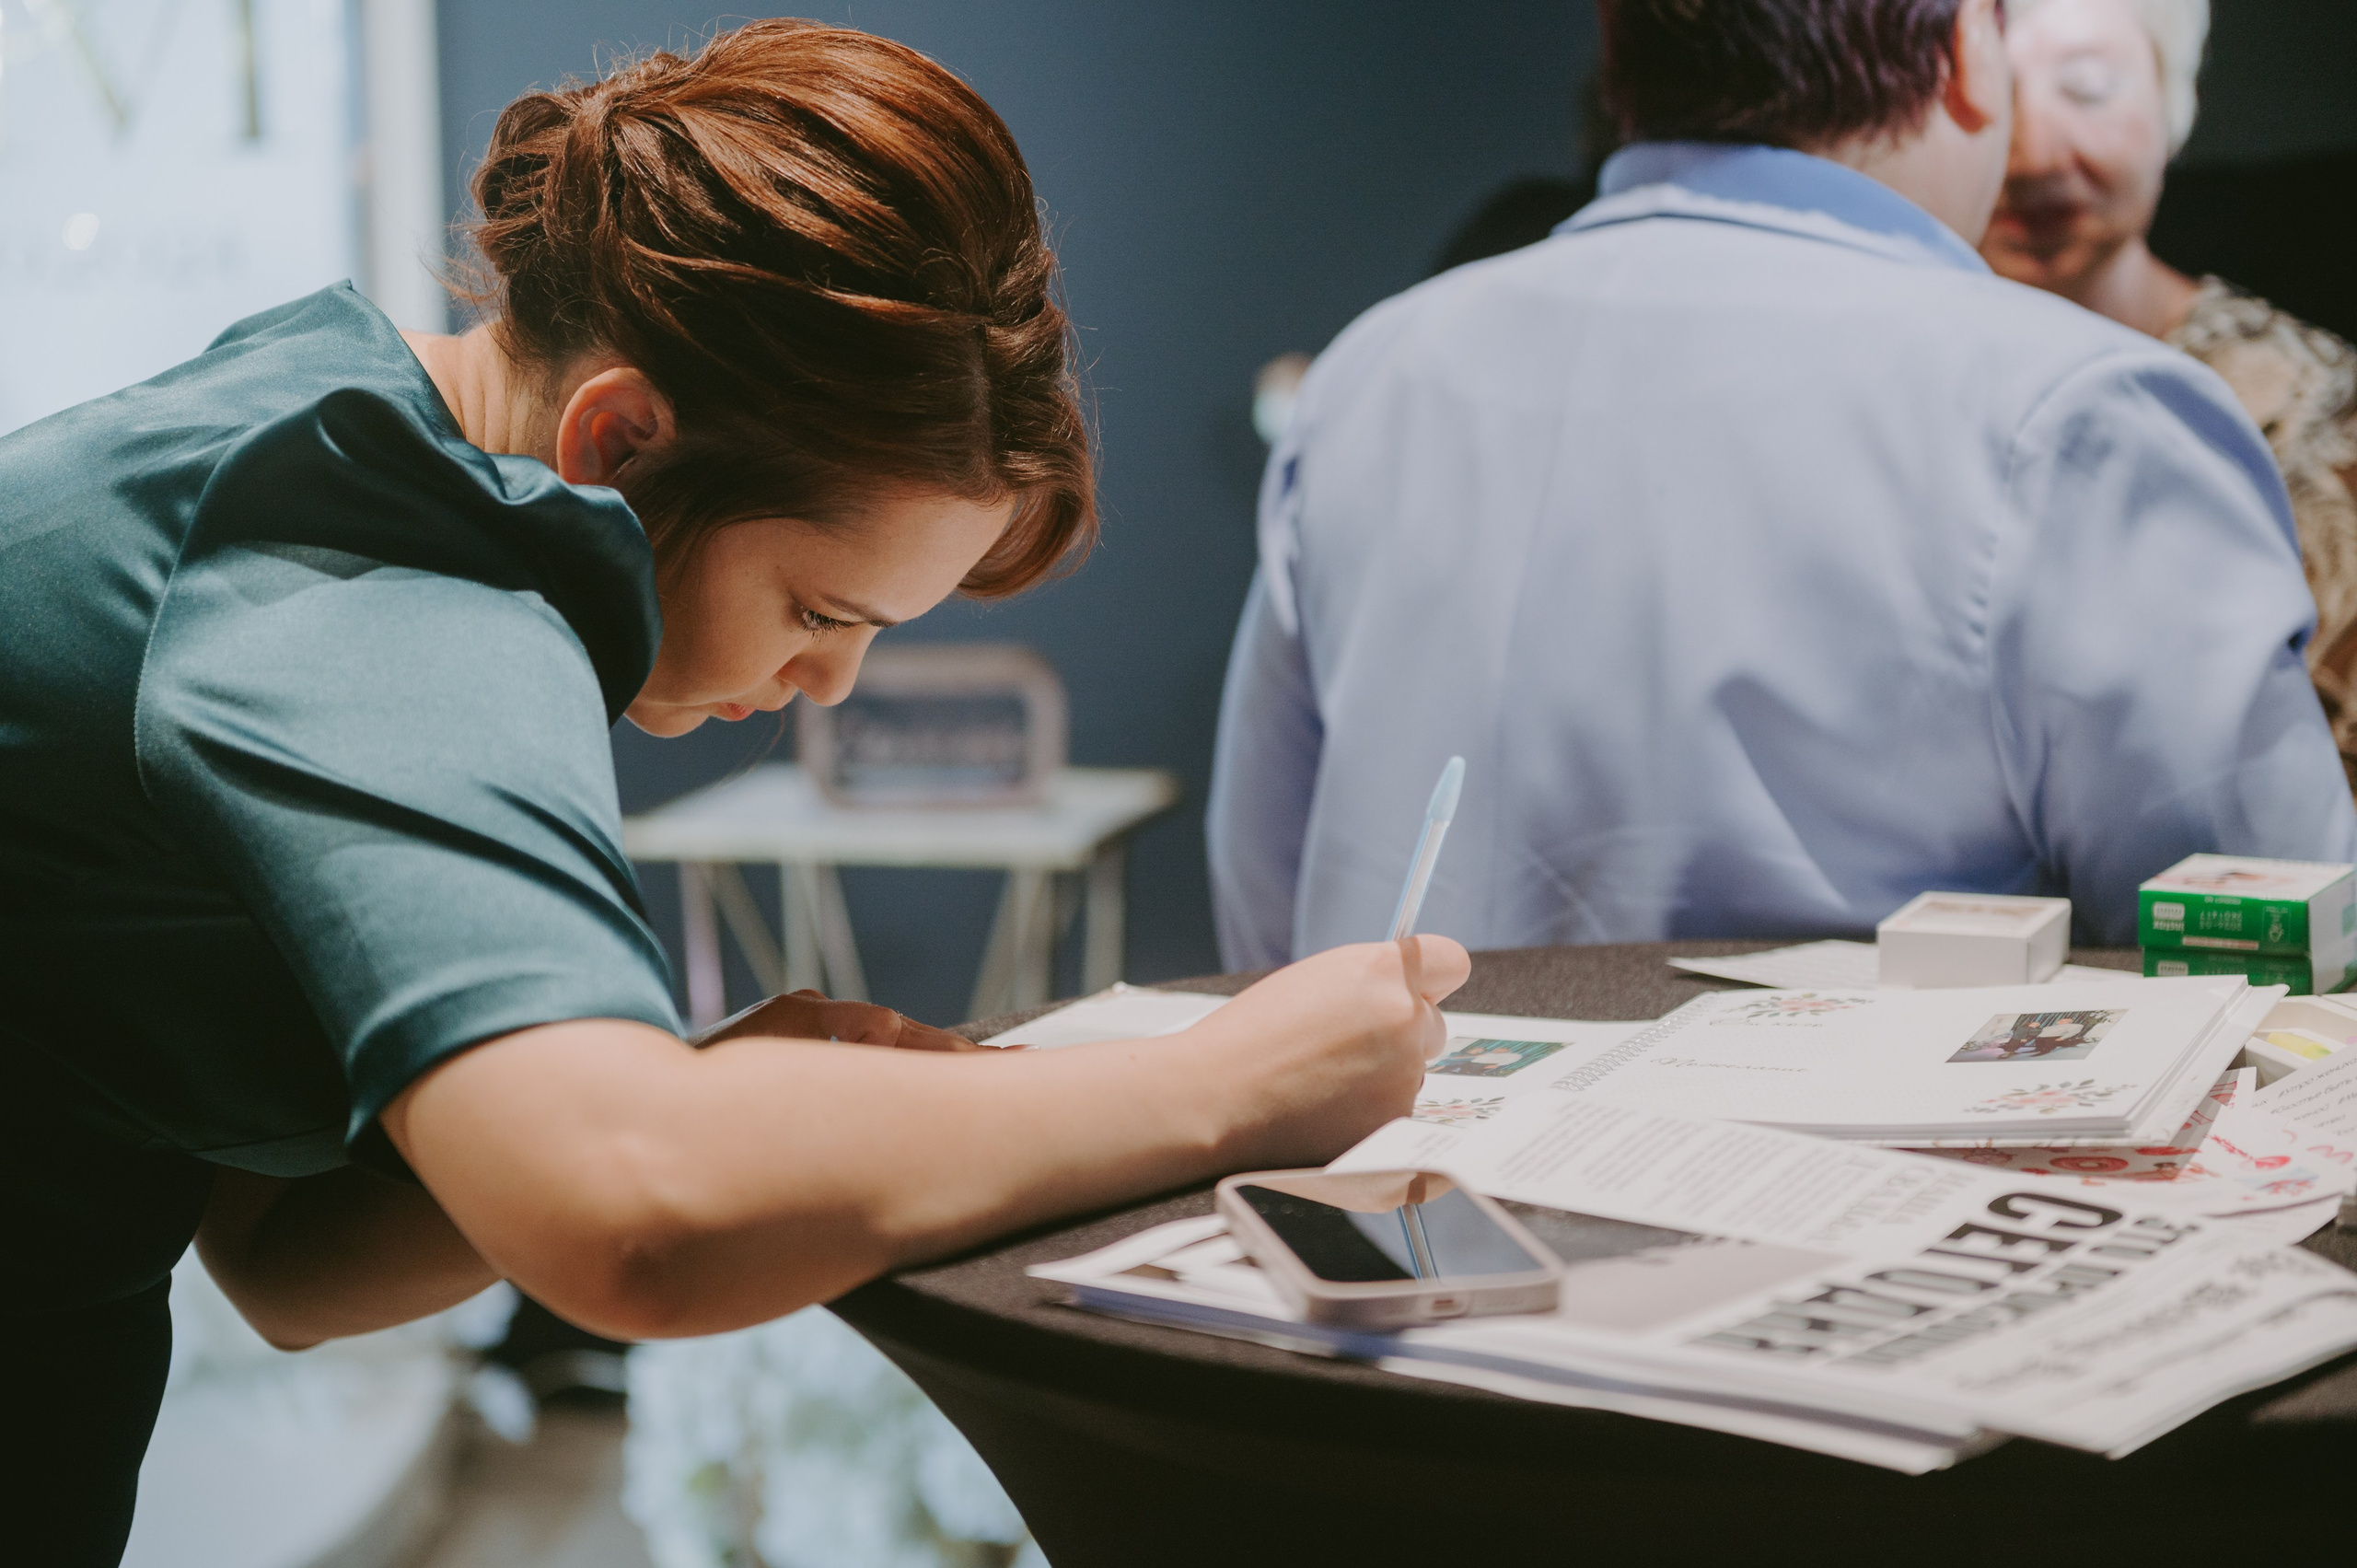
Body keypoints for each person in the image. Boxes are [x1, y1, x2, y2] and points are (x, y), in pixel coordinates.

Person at [0, 23, 1468, 1563]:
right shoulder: (388, 593)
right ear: (620, 437)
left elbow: (291, 1260)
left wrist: (715, 1084)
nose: (828, 684)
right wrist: (1222, 1085)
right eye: (821, 611)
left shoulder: (318, 403)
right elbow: (634, 1212)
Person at [1207, 0, 2356, 969]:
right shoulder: (2081, 410)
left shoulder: (1373, 371)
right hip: (1878, 1223)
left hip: (1396, 1204)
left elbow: (1266, 896)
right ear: (1964, 55)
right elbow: (2272, 944)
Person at [1980, 0, 2357, 789]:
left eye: (2088, 91)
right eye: (1991, 95)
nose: (2034, 153)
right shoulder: (1885, 385)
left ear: (2171, 105)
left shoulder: (2316, 412)